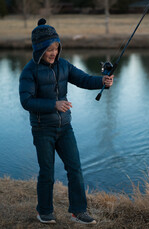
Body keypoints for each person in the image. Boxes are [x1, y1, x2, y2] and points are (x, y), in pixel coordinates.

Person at [19, 18, 114, 225]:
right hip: (42, 129)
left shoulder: (64, 65)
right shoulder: (29, 71)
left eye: (56, 48)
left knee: (76, 169)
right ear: (39, 49)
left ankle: (78, 211)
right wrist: (54, 104)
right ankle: (44, 212)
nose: (53, 53)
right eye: (48, 49)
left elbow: (83, 79)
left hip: (65, 127)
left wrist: (103, 82)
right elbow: (26, 101)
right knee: (47, 173)